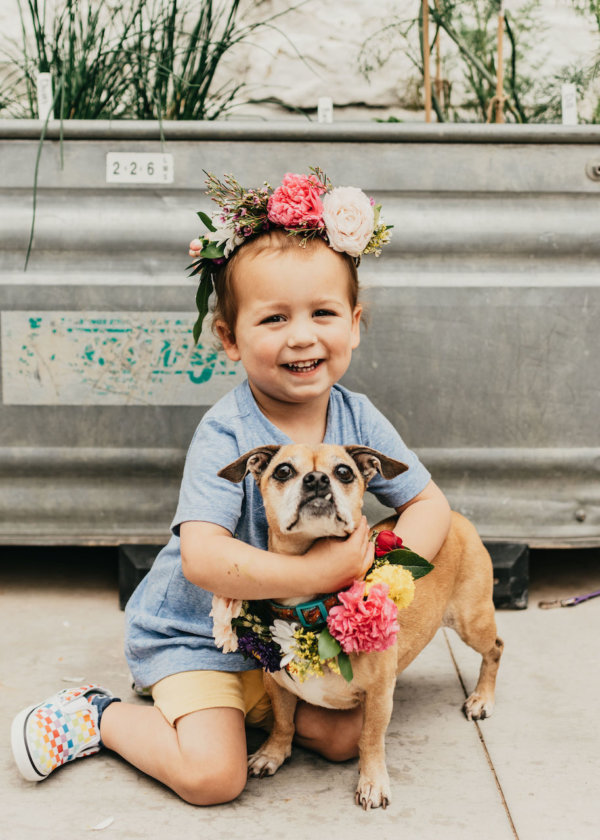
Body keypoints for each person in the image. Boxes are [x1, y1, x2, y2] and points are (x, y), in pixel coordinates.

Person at [11, 169, 451, 806]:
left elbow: (428, 503)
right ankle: (97, 714)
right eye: (274, 318)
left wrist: (381, 576)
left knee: (344, 736)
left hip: (284, 636)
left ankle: (260, 709)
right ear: (229, 337)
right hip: (202, 635)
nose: (301, 335)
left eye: (322, 313)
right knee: (214, 778)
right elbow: (205, 559)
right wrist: (320, 572)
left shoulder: (358, 416)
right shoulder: (226, 431)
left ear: (354, 324)